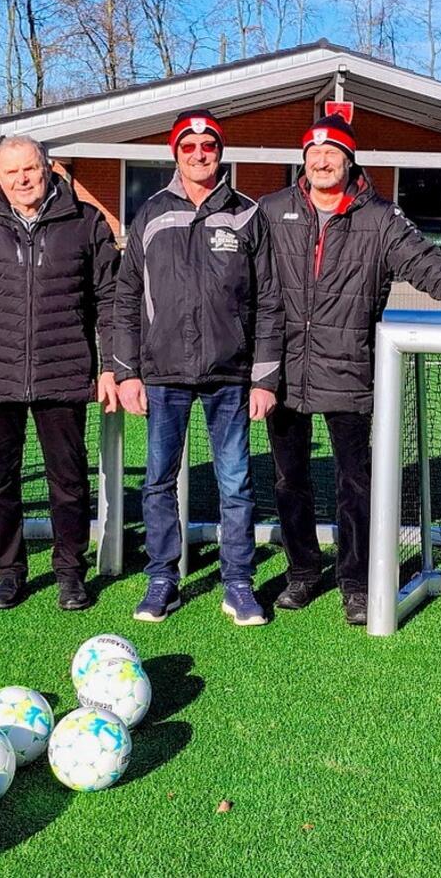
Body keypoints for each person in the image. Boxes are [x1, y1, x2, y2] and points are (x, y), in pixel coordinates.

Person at [258, 113, 441, 626]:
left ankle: (355, 582)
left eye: (333, 151)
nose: (322, 159)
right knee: (290, 479)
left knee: (357, 482)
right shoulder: (271, 211)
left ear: (349, 159)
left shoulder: (380, 219)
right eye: (314, 151)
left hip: (351, 371)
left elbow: (429, 267)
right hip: (283, 372)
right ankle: (303, 572)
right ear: (303, 160)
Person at [114, 110, 284, 627]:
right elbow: (125, 298)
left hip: (230, 378)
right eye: (188, 146)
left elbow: (270, 302)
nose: (198, 153)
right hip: (162, 375)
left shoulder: (248, 216)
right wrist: (125, 371)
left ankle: (238, 583)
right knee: (158, 482)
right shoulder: (150, 214)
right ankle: (163, 577)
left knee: (236, 484)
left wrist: (264, 377)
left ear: (220, 151)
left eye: (207, 145)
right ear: (175, 154)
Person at [0, 135, 119, 612]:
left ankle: (69, 573)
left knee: (68, 481)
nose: (22, 179)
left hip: (63, 373)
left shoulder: (84, 222)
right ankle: (8, 573)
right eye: (11, 171)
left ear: (47, 169)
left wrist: (110, 368)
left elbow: (110, 299)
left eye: (31, 169)